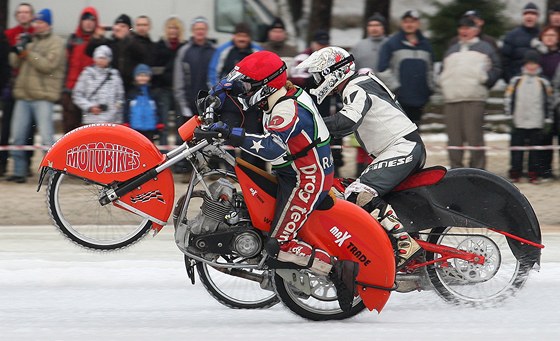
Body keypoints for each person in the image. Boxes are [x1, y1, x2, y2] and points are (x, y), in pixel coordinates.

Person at [206, 50, 358, 312]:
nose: (245, 89)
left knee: (279, 245)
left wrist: (232, 135)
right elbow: (236, 93)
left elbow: (271, 148)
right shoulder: (276, 97)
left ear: (266, 85)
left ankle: (338, 271)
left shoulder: (288, 108)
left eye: (249, 84)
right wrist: (219, 93)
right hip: (293, 172)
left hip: (307, 178)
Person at [297, 46, 426, 270]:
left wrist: (309, 126)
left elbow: (347, 121)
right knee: (349, 190)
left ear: (332, 73)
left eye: (319, 75)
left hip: (402, 147)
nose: (317, 81)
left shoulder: (356, 86)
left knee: (358, 194)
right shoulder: (359, 84)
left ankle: (405, 245)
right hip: (398, 148)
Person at [7, 8, 65, 183]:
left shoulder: (57, 42)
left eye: (40, 22)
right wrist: (18, 49)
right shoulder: (30, 40)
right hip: (23, 95)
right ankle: (19, 171)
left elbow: (48, 65)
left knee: (47, 137)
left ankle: (52, 174)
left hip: (43, 96)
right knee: (17, 136)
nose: (36, 25)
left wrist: (28, 53)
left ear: (48, 24)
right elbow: (14, 63)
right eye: (35, 22)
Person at [439, 17, 501, 170]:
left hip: (474, 99)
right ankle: (456, 170)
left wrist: (486, 79)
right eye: (461, 28)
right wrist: (443, 81)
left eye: (468, 28)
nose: (464, 31)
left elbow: (497, 68)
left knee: (475, 139)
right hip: (451, 99)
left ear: (476, 30)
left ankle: (478, 171)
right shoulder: (452, 49)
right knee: (454, 141)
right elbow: (442, 70)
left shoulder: (486, 47)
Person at [207, 22, 264, 170]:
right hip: (230, 106)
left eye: (245, 36)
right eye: (239, 36)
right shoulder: (224, 51)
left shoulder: (257, 51)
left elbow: (266, 73)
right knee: (227, 138)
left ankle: (248, 171)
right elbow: (213, 74)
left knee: (251, 139)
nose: (242, 39)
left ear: (249, 37)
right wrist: (218, 95)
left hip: (251, 107)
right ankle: (231, 171)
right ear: (234, 36)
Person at [290, 30, 344, 176]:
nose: (322, 48)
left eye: (325, 45)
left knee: (331, 139)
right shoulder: (302, 58)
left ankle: (334, 170)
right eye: (319, 44)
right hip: (306, 104)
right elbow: (297, 82)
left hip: (328, 105)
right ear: (313, 44)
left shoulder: (332, 58)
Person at [377, 10, 434, 126]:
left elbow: (431, 70)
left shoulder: (426, 45)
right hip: (399, 99)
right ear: (402, 23)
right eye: (406, 21)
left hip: (420, 98)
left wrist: (430, 88)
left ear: (418, 24)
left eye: (412, 22)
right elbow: (382, 69)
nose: (409, 25)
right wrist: (396, 88)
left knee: (415, 132)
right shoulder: (391, 44)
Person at [505, 50, 552, 184]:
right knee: (516, 149)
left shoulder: (543, 82)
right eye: (529, 63)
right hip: (518, 121)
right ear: (524, 64)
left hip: (537, 121)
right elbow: (508, 98)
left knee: (535, 151)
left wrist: (548, 119)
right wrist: (509, 116)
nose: (531, 66)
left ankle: (533, 173)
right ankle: (515, 172)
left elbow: (549, 101)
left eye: (534, 63)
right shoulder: (516, 80)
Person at [1, 2, 35, 178]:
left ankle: (26, 165)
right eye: (20, 12)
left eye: (26, 12)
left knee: (27, 129)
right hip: (12, 85)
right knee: (6, 128)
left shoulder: (36, 35)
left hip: (30, 88)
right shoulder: (9, 34)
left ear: (31, 15)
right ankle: (2, 164)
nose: (23, 15)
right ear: (16, 15)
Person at [86, 14, 148, 92]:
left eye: (123, 26)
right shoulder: (109, 43)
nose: (119, 28)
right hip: (111, 87)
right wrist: (97, 37)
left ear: (129, 29)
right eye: (117, 25)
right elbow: (89, 52)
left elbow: (142, 54)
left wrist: (126, 38)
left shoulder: (135, 42)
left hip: (130, 87)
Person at [62, 7, 99, 133]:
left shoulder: (98, 42)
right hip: (71, 91)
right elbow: (65, 65)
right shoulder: (73, 40)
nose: (88, 23)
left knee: (88, 131)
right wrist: (64, 90)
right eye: (85, 20)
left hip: (91, 95)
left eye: (92, 20)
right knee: (70, 129)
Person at [151, 16, 186, 146]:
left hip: (179, 91)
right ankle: (164, 154)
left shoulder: (184, 46)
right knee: (164, 124)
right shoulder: (160, 46)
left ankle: (180, 157)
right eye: (170, 27)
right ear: (166, 29)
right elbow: (154, 68)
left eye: (176, 28)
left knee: (180, 125)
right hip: (164, 89)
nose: (173, 30)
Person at [72, 45, 124, 125]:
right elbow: (77, 95)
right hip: (91, 119)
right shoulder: (87, 74)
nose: (101, 60)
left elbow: (120, 97)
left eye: (104, 58)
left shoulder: (114, 75)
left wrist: (112, 111)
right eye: (99, 57)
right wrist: (90, 107)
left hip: (112, 121)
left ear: (109, 59)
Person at [535, 26, 560, 181]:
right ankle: (545, 171)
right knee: (544, 138)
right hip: (541, 101)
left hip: (558, 101)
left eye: (553, 35)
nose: (550, 38)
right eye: (547, 35)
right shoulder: (536, 56)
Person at [501, 2, 541, 83]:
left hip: (539, 83)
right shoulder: (511, 36)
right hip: (516, 81)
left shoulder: (543, 36)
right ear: (523, 16)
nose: (529, 16)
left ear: (537, 17)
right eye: (526, 13)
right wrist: (510, 80)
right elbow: (504, 61)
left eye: (533, 14)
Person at [124, 64, 162, 141]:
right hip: (135, 127)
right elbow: (126, 109)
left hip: (150, 127)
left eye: (145, 75)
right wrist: (126, 122)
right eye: (140, 75)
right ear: (135, 77)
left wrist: (159, 122)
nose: (142, 78)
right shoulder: (131, 93)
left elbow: (158, 109)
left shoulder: (153, 93)